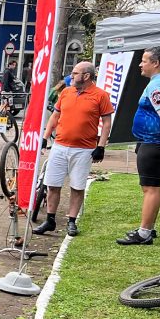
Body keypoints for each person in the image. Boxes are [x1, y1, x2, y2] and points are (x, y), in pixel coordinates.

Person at [34, 61, 113, 237]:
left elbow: (107, 123)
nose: (71, 75)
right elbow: (55, 116)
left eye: (75, 72)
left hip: (84, 150)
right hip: (60, 146)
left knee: (77, 186)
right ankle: (50, 220)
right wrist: (45, 137)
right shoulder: (66, 93)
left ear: (86, 76)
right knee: (52, 184)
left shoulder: (101, 96)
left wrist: (101, 146)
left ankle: (71, 221)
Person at [118, 47, 160, 245]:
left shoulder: (157, 85)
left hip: (154, 140)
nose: (140, 64)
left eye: (144, 60)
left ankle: (144, 233)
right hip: (158, 141)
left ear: (156, 63)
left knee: (150, 188)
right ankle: (148, 228)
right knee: (151, 186)